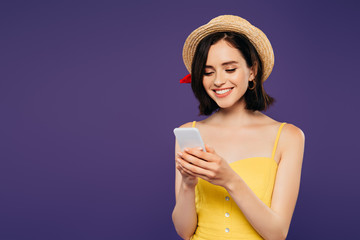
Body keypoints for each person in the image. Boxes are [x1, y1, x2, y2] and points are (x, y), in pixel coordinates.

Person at [172, 15, 305, 240]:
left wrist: (229, 180)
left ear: (252, 71)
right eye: (208, 72)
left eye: (230, 69)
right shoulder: (189, 132)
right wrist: (187, 184)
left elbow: (278, 234)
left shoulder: (288, 137)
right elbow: (184, 232)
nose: (218, 81)